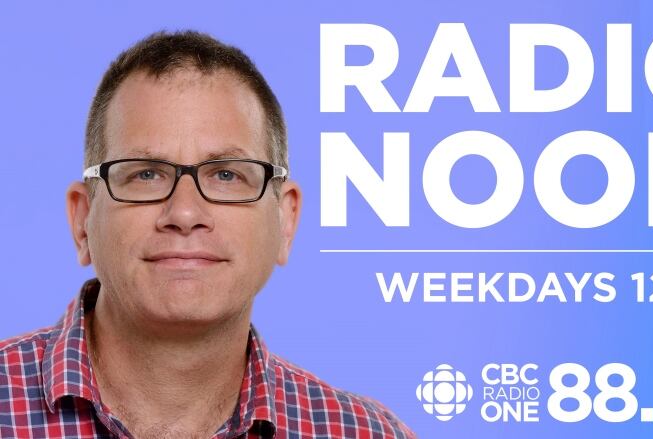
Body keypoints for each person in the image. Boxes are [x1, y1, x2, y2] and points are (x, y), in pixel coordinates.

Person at [0, 31, 415, 439]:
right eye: (146, 173)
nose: (184, 213)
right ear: (82, 220)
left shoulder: (366, 433)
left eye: (226, 175)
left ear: (285, 221)